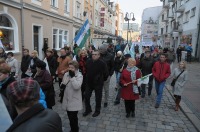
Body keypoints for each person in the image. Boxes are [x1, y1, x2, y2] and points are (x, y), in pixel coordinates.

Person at [83, 50, 109, 117]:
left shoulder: (102, 63)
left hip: (98, 83)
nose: (93, 55)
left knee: (98, 98)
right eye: (93, 54)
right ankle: (88, 109)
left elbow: (106, 74)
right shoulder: (88, 61)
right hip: (89, 82)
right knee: (86, 96)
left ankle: (97, 111)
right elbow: (86, 70)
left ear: (99, 55)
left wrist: (101, 79)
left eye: (95, 54)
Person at [61, 60, 83, 132]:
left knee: (73, 118)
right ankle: (73, 129)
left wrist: (73, 77)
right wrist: (62, 85)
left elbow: (77, 87)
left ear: (76, 68)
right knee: (70, 117)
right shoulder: (66, 74)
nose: (70, 69)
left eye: (72, 68)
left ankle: (75, 130)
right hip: (67, 99)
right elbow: (63, 82)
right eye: (69, 67)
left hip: (74, 100)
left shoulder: (79, 76)